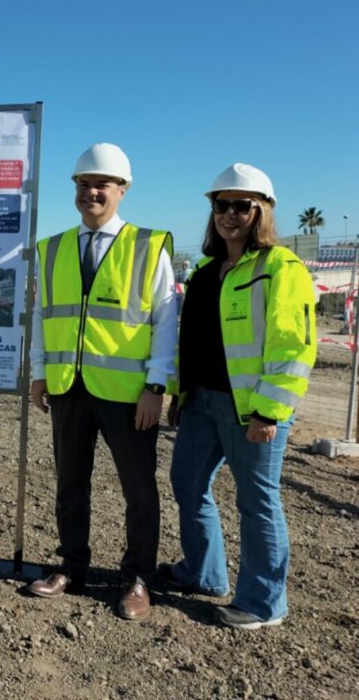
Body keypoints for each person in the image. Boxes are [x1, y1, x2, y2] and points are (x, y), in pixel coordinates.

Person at [161, 164, 315, 630]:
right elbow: (194, 340)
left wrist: (269, 410)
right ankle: (203, 574)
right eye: (220, 204)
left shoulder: (281, 269)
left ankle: (263, 603)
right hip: (201, 403)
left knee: (257, 503)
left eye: (241, 205)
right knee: (187, 484)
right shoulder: (208, 270)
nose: (229, 214)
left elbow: (294, 347)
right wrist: (179, 392)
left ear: (261, 210)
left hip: (251, 410)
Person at [27, 143, 177, 620]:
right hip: (69, 387)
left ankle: (137, 579)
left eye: (101, 185)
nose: (91, 192)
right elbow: (41, 314)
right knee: (70, 484)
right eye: (83, 184)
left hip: (128, 394)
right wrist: (37, 373)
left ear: (122, 190)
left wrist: (156, 386)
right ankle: (72, 566)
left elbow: (166, 321)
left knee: (138, 489)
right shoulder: (52, 250)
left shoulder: (148, 246)